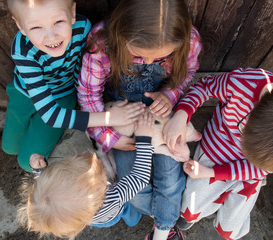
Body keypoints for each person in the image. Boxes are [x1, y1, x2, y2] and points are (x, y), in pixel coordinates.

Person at [77, 0, 202, 239]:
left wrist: (170, 94)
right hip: (122, 114)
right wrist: (109, 138)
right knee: (131, 183)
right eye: (138, 55)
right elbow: (88, 94)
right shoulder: (102, 43)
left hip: (162, 114)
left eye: (160, 57)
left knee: (170, 175)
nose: (146, 63)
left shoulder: (190, 40)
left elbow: (188, 73)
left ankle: (163, 228)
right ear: (121, 31)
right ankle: (163, 217)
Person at [162, 68, 273, 239]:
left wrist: (215, 173)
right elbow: (204, 86)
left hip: (254, 169)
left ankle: (221, 217)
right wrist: (182, 113)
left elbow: (262, 168)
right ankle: (193, 214)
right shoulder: (244, 83)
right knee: (193, 204)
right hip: (218, 150)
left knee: (230, 227)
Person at [2, 0, 145, 172]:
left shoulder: (83, 28)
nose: (51, 36)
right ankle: (31, 132)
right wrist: (109, 118)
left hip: (62, 97)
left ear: (72, 12)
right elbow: (51, 116)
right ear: (21, 27)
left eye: (58, 22)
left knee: (26, 161)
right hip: (24, 93)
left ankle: (34, 146)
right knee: (9, 147)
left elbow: (84, 71)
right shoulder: (22, 49)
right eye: (36, 27)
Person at [17, 111, 155, 240]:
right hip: (115, 212)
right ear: (99, 193)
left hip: (94, 221)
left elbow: (47, 189)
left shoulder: (73, 212)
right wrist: (144, 139)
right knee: (129, 209)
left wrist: (39, 169)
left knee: (104, 221)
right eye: (99, 175)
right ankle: (134, 220)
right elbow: (140, 178)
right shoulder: (115, 197)